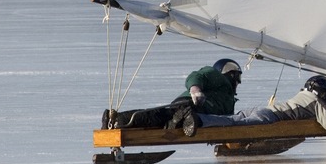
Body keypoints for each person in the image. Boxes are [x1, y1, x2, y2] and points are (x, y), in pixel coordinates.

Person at [103, 58, 242, 132]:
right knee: (159, 116)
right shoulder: (218, 77)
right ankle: (117, 119)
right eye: (237, 77)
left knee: (163, 122)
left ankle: (175, 122)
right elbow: (198, 75)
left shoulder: (228, 97)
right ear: (230, 74)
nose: (238, 82)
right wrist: (195, 90)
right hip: (190, 103)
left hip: (197, 113)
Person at [194, 75, 326, 137]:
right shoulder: (316, 102)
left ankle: (198, 118)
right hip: (269, 116)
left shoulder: (304, 95)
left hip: (263, 110)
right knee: (234, 124)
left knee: (231, 119)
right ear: (322, 92)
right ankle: (198, 120)